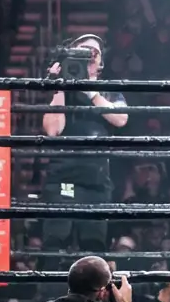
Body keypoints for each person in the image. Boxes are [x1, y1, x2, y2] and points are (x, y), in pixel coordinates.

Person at [39, 33, 129, 253]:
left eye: (93, 52)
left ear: (101, 63)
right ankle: (51, 288)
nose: (88, 55)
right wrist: (59, 87)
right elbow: (52, 130)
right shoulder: (62, 92)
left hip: (96, 181)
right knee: (55, 242)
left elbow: (121, 119)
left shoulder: (109, 89)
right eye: (81, 51)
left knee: (94, 245)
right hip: (64, 179)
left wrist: (90, 91)